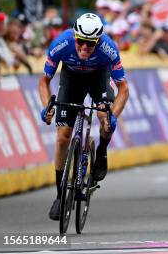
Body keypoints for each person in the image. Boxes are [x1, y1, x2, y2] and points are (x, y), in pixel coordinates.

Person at [38, 13, 129, 220]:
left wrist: (113, 115)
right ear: (75, 36)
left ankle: (102, 151)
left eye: (91, 43)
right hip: (71, 79)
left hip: (99, 77)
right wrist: (46, 107)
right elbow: (44, 80)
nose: (85, 48)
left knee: (104, 118)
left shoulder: (108, 48)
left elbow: (124, 89)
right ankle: (61, 196)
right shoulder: (61, 42)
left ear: (98, 41)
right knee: (62, 137)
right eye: (81, 42)